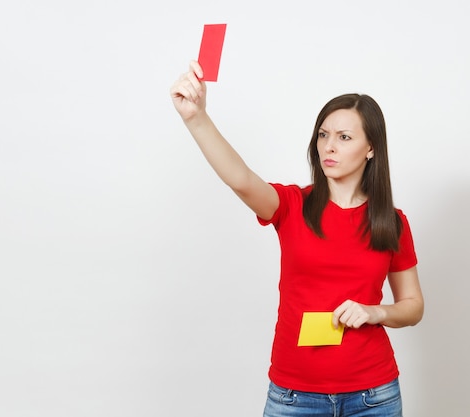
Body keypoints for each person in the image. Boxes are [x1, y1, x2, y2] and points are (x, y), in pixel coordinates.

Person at [170, 60, 424, 417]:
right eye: (323, 134)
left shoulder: (391, 223)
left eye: (344, 137)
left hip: (373, 396)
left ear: (371, 148)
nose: (328, 146)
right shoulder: (292, 205)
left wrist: (374, 312)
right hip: (294, 397)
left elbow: (413, 305)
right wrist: (195, 117)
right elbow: (241, 179)